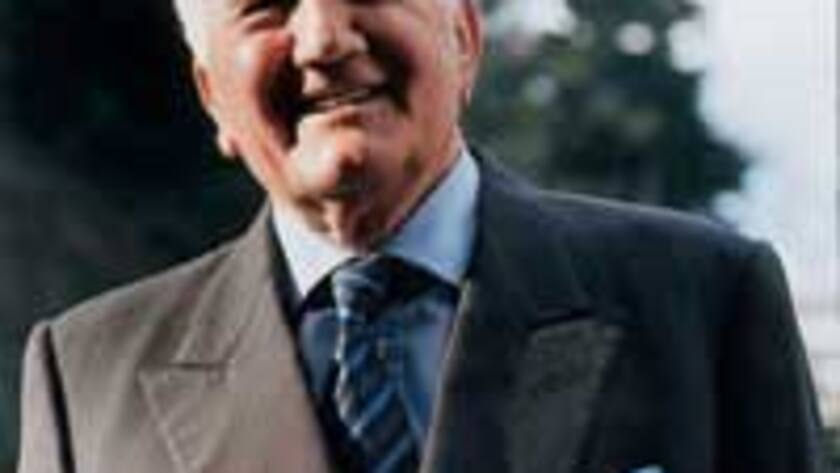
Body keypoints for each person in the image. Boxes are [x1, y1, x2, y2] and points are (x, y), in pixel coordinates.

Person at [17, 0, 826, 471]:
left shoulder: (705, 302)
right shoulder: (84, 377)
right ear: (211, 98)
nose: (325, 39)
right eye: (264, 3)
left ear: (463, 38)